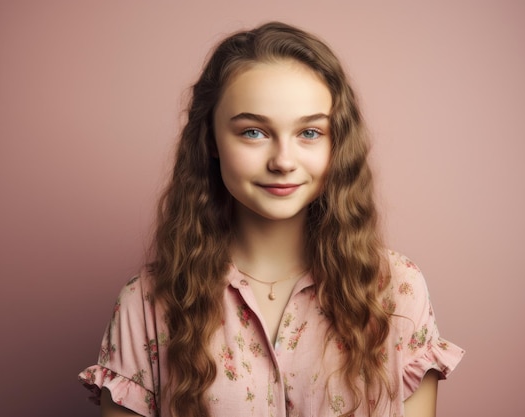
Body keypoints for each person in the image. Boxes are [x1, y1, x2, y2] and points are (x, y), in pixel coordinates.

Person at [78, 21, 464, 417]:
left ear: (337, 143)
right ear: (211, 140)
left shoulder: (396, 293)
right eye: (254, 132)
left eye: (310, 132)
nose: (282, 161)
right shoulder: (145, 303)